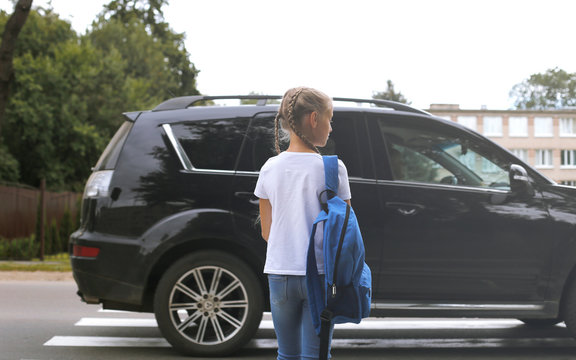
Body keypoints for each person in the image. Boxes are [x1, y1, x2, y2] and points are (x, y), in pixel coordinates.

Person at [254, 87, 352, 360]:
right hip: (320, 275)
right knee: (315, 355)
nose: (331, 128)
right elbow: (345, 231)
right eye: (330, 119)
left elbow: (266, 231)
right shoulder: (334, 169)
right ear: (313, 119)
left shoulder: (269, 168)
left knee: (286, 354)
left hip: (280, 273)